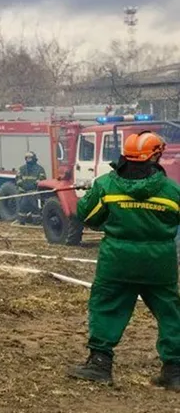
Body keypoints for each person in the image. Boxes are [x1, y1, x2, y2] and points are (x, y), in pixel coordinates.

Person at [69, 131, 180, 389]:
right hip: (159, 264)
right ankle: (175, 371)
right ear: (156, 156)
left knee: (107, 306)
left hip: (117, 261)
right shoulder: (172, 190)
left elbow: (87, 216)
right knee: (170, 313)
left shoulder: (106, 184)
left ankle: (99, 364)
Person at [15, 151, 47, 224]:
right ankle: (21, 222)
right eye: (27, 158)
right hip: (24, 193)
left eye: (30, 158)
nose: (28, 160)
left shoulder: (40, 169)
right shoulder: (21, 169)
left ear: (34, 159)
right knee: (22, 208)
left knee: (35, 208)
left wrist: (33, 186)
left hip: (34, 193)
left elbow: (42, 179)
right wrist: (24, 187)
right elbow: (18, 179)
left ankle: (36, 222)